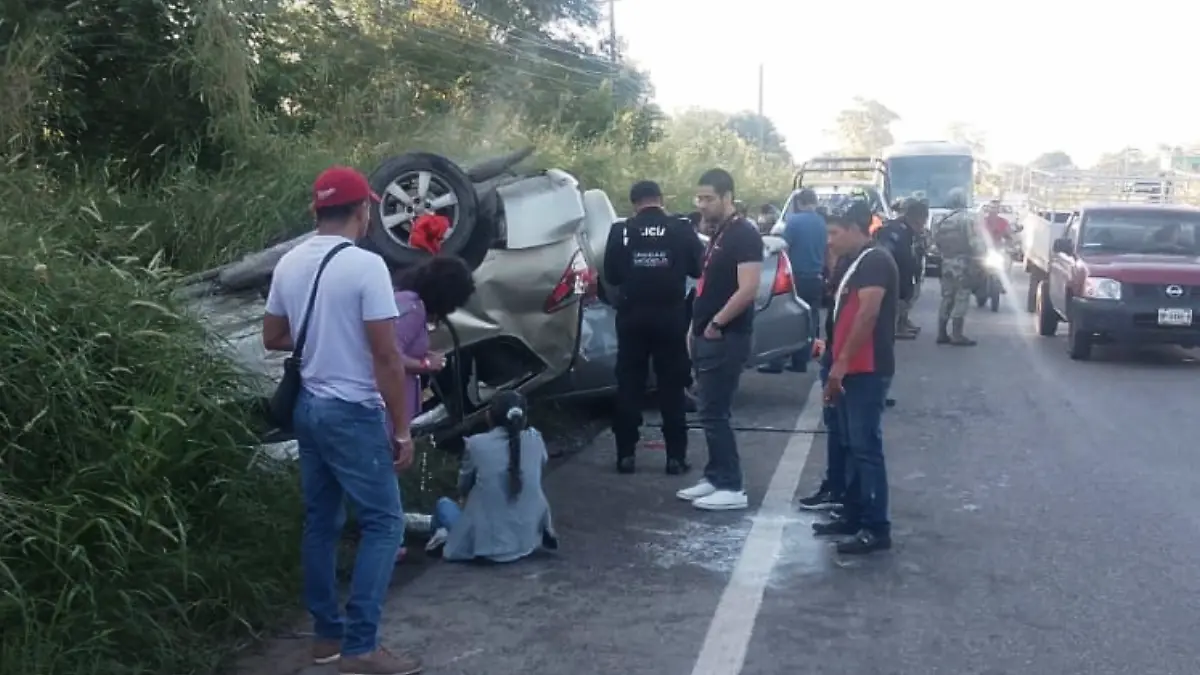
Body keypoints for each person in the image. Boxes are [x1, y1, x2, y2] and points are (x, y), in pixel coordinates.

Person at [262, 166, 421, 675]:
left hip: (308, 409)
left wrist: (327, 338)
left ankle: (325, 639)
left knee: (321, 523)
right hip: (352, 412)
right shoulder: (366, 266)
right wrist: (401, 429)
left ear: (317, 210)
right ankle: (361, 645)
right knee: (384, 523)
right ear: (362, 210)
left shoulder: (289, 262)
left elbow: (273, 336)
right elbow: (388, 359)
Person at [811, 198, 898, 555]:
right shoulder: (854, 261)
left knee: (865, 447)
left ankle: (875, 527)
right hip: (848, 364)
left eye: (834, 232)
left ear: (854, 228)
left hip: (865, 368)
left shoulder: (875, 261)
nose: (829, 240)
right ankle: (852, 513)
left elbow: (867, 316)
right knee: (848, 442)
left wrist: (842, 362)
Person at [676, 169, 763, 511]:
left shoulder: (743, 234)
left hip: (726, 337)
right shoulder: (719, 234)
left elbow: (749, 288)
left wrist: (715, 323)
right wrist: (693, 328)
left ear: (728, 197)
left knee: (716, 411)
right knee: (707, 409)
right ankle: (715, 476)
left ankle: (731, 485)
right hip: (705, 334)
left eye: (709, 198)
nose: (702, 205)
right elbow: (706, 286)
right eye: (699, 198)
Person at [603, 180, 703, 475]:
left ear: (634, 203)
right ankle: (675, 458)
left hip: (632, 317)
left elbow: (611, 273)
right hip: (671, 318)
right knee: (671, 387)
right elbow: (697, 269)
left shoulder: (621, 231)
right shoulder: (682, 228)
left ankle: (625, 456)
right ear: (661, 199)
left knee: (629, 384)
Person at [423, 391, 559, 562]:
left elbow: (463, 487)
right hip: (527, 542)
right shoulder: (535, 439)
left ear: (489, 416)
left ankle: (443, 537)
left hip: (487, 545)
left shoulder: (476, 445)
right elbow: (541, 463)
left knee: (443, 505)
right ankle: (444, 535)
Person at [760, 188, 826, 374]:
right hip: (816, 276)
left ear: (799, 203)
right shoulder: (822, 223)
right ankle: (801, 360)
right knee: (811, 319)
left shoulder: (794, 222)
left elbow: (783, 247)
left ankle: (777, 362)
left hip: (796, 277)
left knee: (785, 317)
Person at [932, 188, 982, 346]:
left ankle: (941, 333)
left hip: (946, 262)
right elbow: (974, 242)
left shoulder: (940, 219)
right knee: (962, 296)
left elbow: (934, 242)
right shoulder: (967, 219)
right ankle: (957, 334)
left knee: (947, 297)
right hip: (963, 263)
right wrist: (981, 256)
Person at [875, 198, 929, 340]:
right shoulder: (898, 230)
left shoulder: (907, 230)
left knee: (907, 295)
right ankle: (896, 326)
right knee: (899, 297)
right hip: (894, 269)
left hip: (904, 269)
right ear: (914, 218)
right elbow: (899, 256)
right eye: (921, 221)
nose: (922, 225)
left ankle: (902, 322)